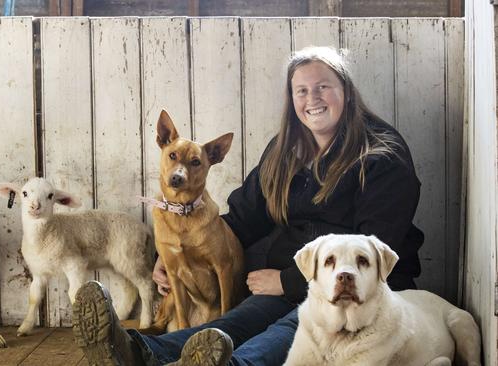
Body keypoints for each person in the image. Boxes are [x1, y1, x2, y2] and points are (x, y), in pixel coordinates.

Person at [71, 46, 424, 366]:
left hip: (355, 290)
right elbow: (242, 218)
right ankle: (136, 350)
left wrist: (286, 281)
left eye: (323, 87)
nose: (312, 98)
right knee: (234, 322)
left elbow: (376, 248)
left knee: (293, 330)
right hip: (291, 280)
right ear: (292, 99)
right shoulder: (286, 149)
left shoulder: (382, 155)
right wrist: (180, 254)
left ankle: (233, 365)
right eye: (301, 90)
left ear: (346, 90)